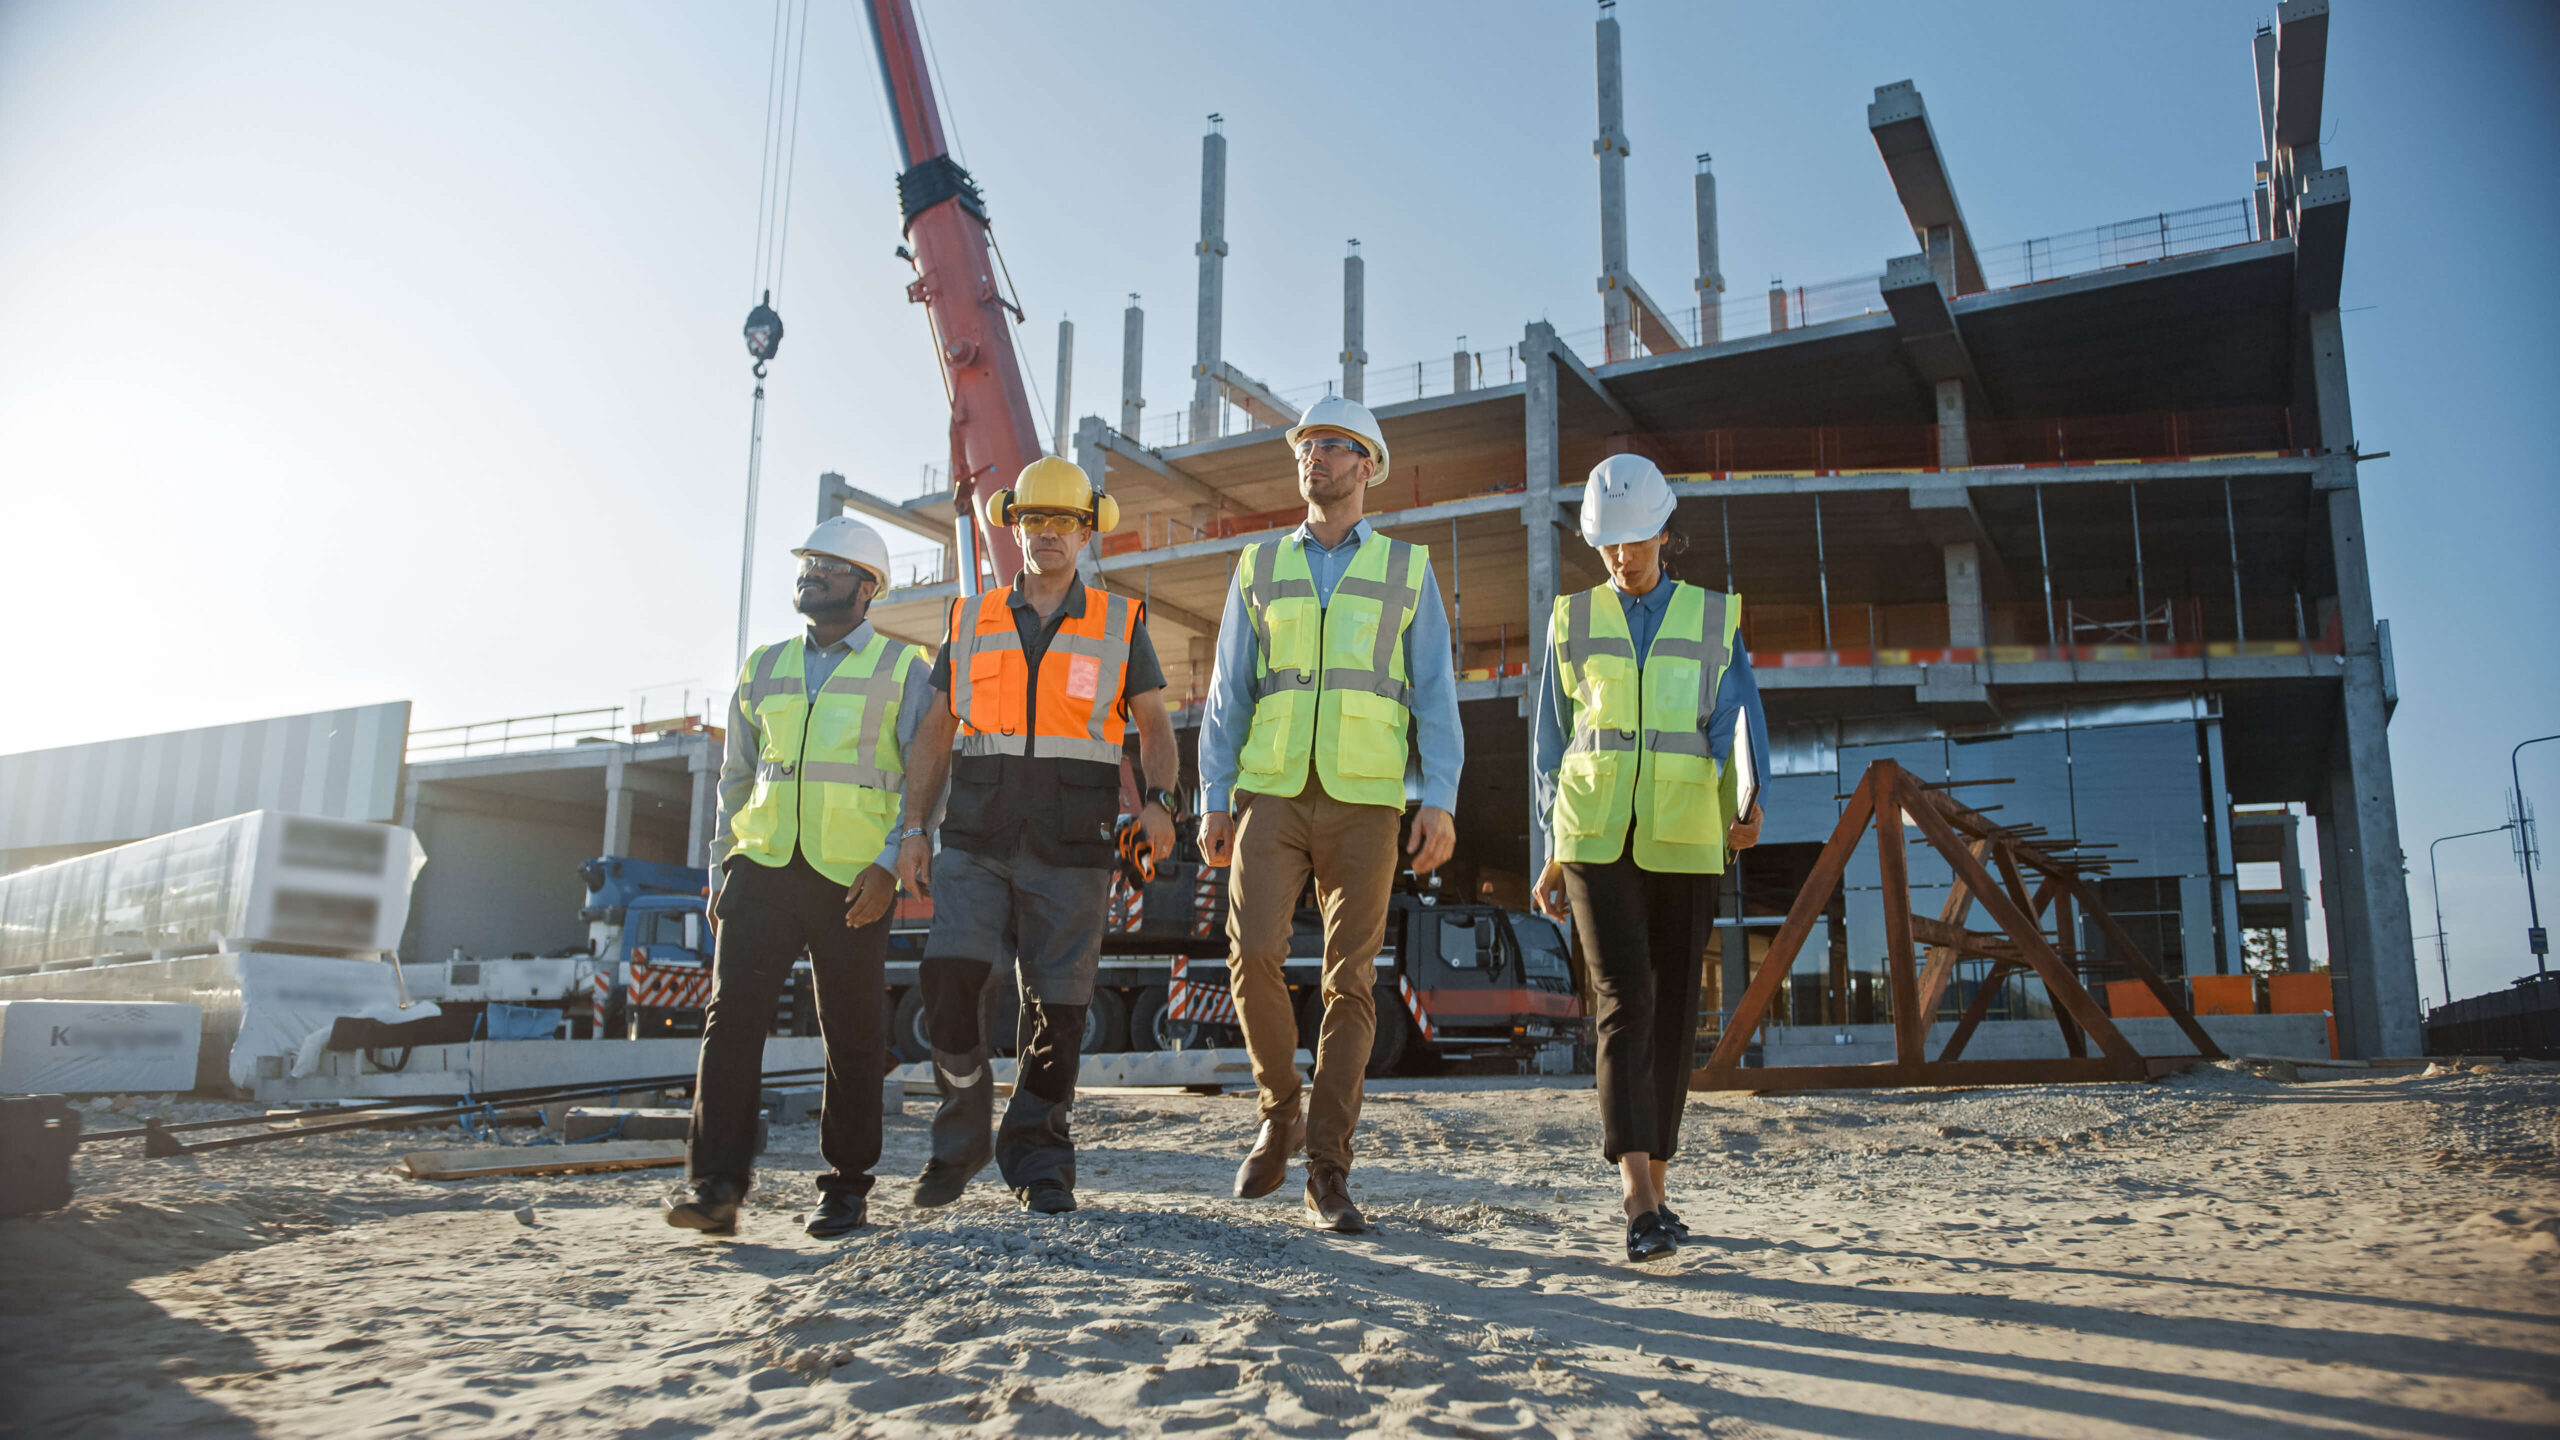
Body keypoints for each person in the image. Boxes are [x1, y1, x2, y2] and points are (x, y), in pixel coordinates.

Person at [1196, 395, 1464, 1234]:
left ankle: (1327, 1171)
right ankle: (1279, 1109)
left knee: (1350, 981)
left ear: (1367, 467)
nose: (1316, 457)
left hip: (1366, 799)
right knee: (1253, 954)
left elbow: (1437, 698)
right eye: (1308, 445)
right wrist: (1213, 796)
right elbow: (1225, 696)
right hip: (1272, 791)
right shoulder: (1258, 566)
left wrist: (1442, 799)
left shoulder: (1406, 571)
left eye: (1335, 446)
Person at [893, 456, 1180, 1215]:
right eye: (1033, 520)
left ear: (1087, 532)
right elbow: (933, 733)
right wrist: (911, 829)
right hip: (977, 838)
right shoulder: (972, 618)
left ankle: (1040, 1158)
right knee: (950, 988)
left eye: (1063, 521)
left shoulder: (1120, 624)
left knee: (1061, 1014)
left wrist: (1161, 803)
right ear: (1013, 528)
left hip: (1073, 843)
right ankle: (961, 1141)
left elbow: (1154, 725)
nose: (1047, 534)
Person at [1530, 454, 1767, 1263]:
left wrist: (1746, 801)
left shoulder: (1713, 617)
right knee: (1623, 998)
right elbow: (1552, 743)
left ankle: (1660, 1189)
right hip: (1594, 832)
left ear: (1665, 532)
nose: (1623, 558)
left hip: (1686, 829)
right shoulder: (1572, 619)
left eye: (1636, 541)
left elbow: (1738, 718)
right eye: (1609, 546)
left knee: (1673, 1014)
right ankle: (1635, 1197)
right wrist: (1551, 846)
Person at [667, 516, 931, 1239]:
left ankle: (846, 1187)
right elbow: (738, 775)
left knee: (851, 1034)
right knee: (730, 1026)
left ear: (867, 586)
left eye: (829, 564)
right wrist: (724, 862)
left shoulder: (904, 670)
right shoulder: (764, 665)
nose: (810, 572)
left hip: (853, 877)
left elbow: (923, 781)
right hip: (762, 867)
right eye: (808, 561)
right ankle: (716, 1184)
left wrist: (889, 864)